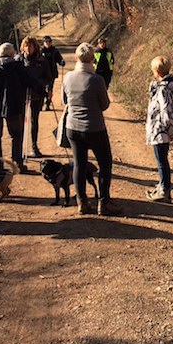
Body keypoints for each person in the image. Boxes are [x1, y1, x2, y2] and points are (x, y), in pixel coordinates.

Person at [61, 42, 122, 216]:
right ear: (92, 59)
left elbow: (64, 101)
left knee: (79, 164)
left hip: (73, 127)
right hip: (94, 128)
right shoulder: (97, 80)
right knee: (105, 163)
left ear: (76, 58)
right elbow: (104, 105)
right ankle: (104, 202)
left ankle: (82, 202)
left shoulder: (68, 78)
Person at [0, 42, 44, 174]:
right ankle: (17, 164)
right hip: (14, 107)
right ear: (13, 54)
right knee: (16, 135)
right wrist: (43, 92)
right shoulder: (18, 68)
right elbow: (31, 82)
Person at [145, 56, 173, 203]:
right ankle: (163, 185)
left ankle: (164, 191)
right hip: (167, 129)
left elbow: (165, 112)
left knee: (161, 160)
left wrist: (169, 130)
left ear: (157, 71)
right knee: (163, 159)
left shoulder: (162, 89)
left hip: (161, 130)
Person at [20, 36, 52, 157]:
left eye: (31, 46)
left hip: (37, 95)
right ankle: (20, 148)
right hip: (22, 96)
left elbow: (48, 78)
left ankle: (34, 146)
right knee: (21, 121)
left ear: (35, 47)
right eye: (26, 46)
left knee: (34, 121)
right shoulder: (18, 60)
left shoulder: (42, 60)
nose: (29, 48)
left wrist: (39, 83)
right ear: (23, 47)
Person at [40, 35, 65, 111]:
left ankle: (48, 104)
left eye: (49, 41)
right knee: (41, 89)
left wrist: (61, 62)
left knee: (50, 89)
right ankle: (40, 105)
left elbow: (59, 59)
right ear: (44, 43)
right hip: (41, 74)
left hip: (52, 73)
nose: (48, 43)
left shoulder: (54, 51)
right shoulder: (40, 51)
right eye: (46, 42)